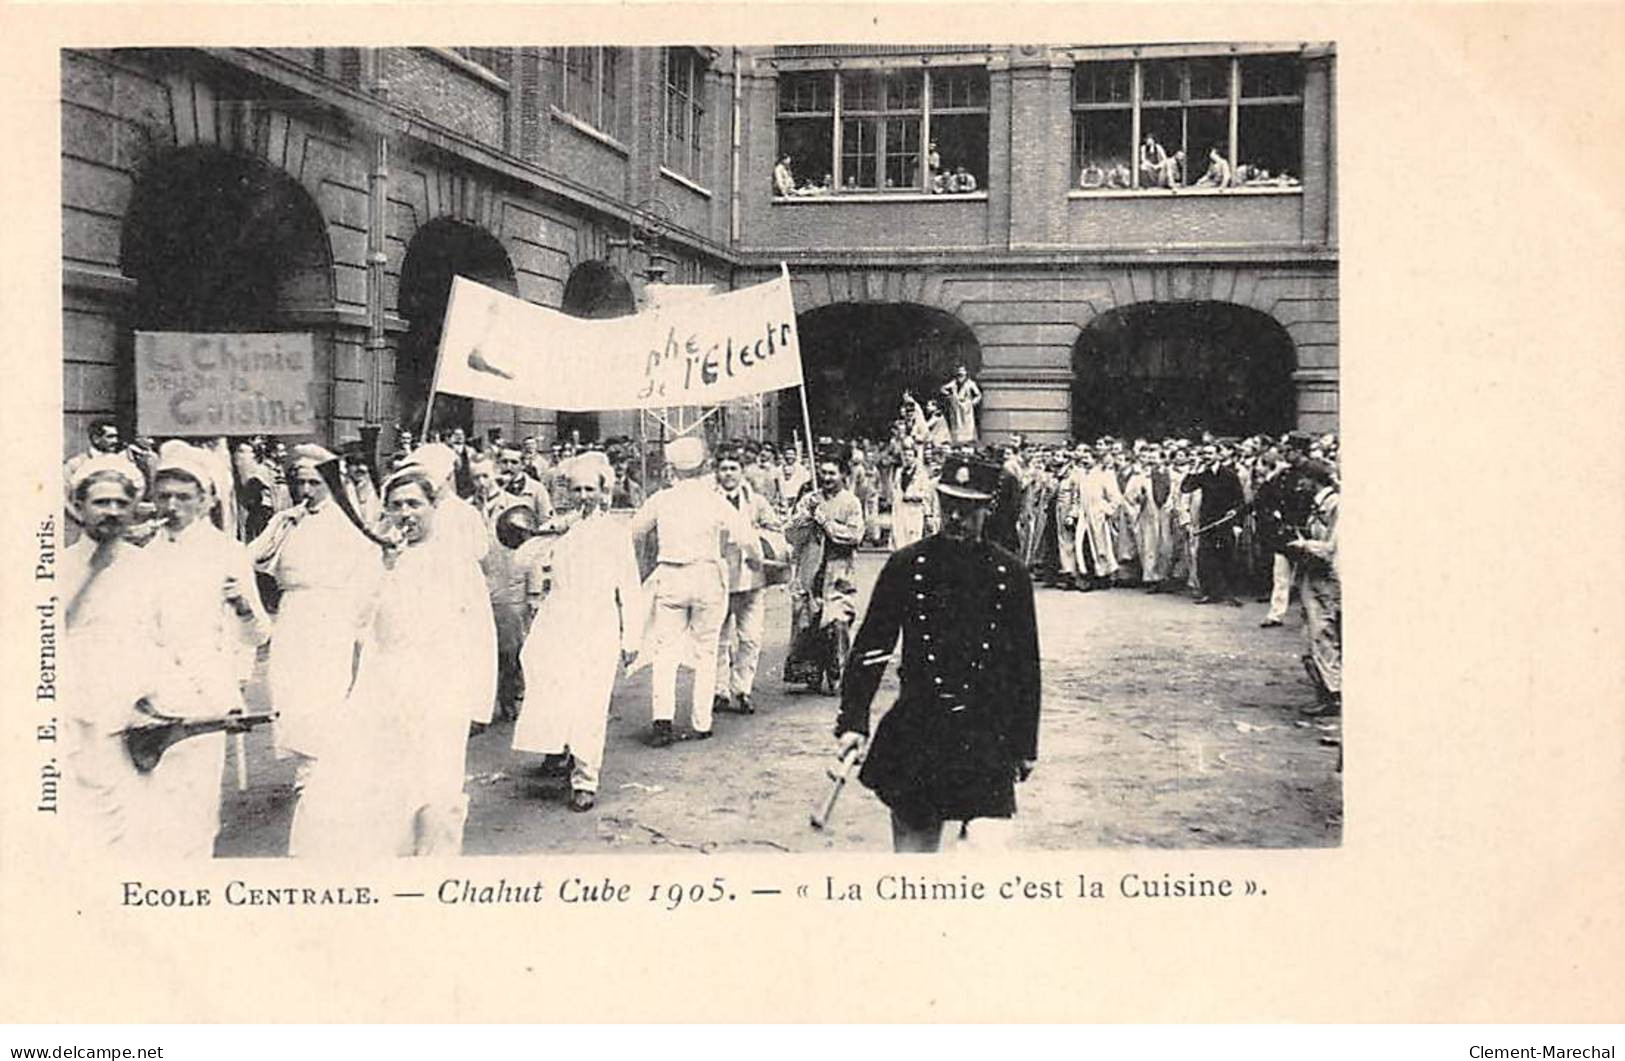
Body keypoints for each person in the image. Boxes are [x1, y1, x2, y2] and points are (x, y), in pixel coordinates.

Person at [290, 462, 497, 857]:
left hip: (443, 692)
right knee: (390, 791)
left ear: (433, 508)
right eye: (397, 505)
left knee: (440, 796)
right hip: (386, 688)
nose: (406, 514)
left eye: (415, 504)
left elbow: (480, 634)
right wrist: (382, 569)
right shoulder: (376, 557)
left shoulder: (456, 560)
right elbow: (355, 620)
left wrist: (476, 705)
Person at [835, 454, 1040, 853]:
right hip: (918, 730)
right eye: (949, 507)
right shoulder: (906, 566)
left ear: (986, 509)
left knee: (986, 855)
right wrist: (853, 720)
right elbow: (872, 649)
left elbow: (1024, 667)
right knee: (914, 861)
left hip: (985, 734)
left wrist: (1024, 743)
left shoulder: (1010, 575)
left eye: (967, 509)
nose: (956, 518)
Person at [62, 454, 221, 857]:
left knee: (142, 830)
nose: (112, 512)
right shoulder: (59, 568)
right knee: (85, 832)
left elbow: (167, 640)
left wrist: (174, 704)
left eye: (120, 503)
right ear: (79, 508)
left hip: (138, 720)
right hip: (77, 719)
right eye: (101, 503)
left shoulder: (148, 566)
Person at [143, 441, 272, 855]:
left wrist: (242, 606)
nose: (173, 506)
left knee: (197, 807)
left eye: (184, 497)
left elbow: (259, 635)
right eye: (164, 496)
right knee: (151, 807)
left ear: (205, 500)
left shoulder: (227, 553)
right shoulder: (141, 553)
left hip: (204, 694)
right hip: (149, 693)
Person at [513, 454, 642, 810]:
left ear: (603, 493)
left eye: (590, 489)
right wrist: (547, 532)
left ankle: (586, 778)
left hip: (597, 621)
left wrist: (632, 637)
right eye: (576, 489)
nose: (583, 496)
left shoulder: (615, 534)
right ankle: (559, 748)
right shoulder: (559, 527)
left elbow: (629, 587)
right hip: (557, 619)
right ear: (567, 492)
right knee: (552, 686)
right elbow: (521, 561)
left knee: (590, 699)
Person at [249, 445, 381, 789]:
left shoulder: (347, 521)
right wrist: (281, 527)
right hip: (293, 611)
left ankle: (315, 767)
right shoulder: (287, 518)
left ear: (329, 482)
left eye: (314, 483)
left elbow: (367, 574)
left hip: (330, 612)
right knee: (288, 688)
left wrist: (355, 624)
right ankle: (309, 759)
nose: (306, 491)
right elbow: (252, 558)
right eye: (300, 483)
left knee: (321, 689)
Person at [628, 436, 757, 746]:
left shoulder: (661, 499)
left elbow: (633, 531)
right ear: (703, 467)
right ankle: (702, 721)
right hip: (707, 577)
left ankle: (663, 721)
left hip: (671, 575)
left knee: (665, 651)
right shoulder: (714, 500)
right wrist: (756, 556)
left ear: (673, 468)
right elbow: (744, 536)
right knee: (707, 650)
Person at [782, 445, 866, 693]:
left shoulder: (851, 502)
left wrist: (826, 522)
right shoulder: (810, 499)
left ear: (842, 474)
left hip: (839, 571)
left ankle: (839, 674)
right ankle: (811, 674)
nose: (827, 478)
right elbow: (791, 535)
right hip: (811, 569)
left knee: (837, 622)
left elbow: (854, 535)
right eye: (824, 473)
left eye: (832, 473)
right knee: (809, 622)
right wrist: (805, 519)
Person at [711, 445, 784, 718]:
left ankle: (742, 689)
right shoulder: (709, 500)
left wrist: (755, 539)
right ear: (716, 472)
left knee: (750, 638)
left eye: (733, 468)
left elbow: (775, 529)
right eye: (724, 469)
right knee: (718, 640)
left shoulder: (756, 501)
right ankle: (719, 690)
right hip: (718, 580)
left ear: (742, 471)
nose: (728, 474)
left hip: (751, 578)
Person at [1284, 481, 1340, 714]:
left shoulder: (1338, 506)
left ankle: (1333, 693)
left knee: (1322, 633)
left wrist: (1304, 545)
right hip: (1312, 577)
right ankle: (1325, 691)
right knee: (1312, 634)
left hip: (1326, 579)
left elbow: (1331, 549)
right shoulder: (1319, 506)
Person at [1180, 443, 1246, 605]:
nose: (1206, 456)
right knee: (1205, 557)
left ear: (1218, 455)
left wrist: (1236, 519)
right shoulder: (1203, 475)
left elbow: (1239, 500)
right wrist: (1193, 470)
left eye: (1209, 453)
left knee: (1227, 556)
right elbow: (1185, 488)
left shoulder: (1230, 475)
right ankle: (1210, 593)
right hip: (1207, 522)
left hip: (1225, 521)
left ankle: (1230, 594)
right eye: (1204, 454)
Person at [889, 441, 931, 550]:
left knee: (913, 541)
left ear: (915, 457)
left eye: (910, 455)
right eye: (905, 455)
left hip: (914, 510)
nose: (907, 458)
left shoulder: (921, 473)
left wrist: (913, 496)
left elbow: (926, 493)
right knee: (899, 539)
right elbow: (895, 488)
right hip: (901, 510)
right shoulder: (899, 472)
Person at [939, 364, 982, 445]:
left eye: (962, 374)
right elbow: (943, 388)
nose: (960, 376)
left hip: (966, 409)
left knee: (967, 426)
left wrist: (972, 403)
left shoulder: (970, 384)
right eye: (959, 374)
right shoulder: (954, 383)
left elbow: (978, 395)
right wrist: (949, 395)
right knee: (957, 425)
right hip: (956, 408)